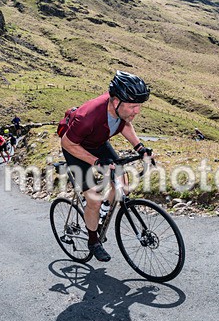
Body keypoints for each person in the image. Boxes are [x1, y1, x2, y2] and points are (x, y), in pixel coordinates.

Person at [60, 70, 152, 262]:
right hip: (76, 149)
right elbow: (67, 144)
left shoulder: (120, 110)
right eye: (133, 106)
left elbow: (125, 124)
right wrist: (95, 162)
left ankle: (102, 213)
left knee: (123, 185)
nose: (137, 111)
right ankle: (93, 241)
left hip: (98, 142)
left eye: (139, 106)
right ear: (116, 101)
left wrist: (140, 148)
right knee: (93, 199)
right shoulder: (87, 116)